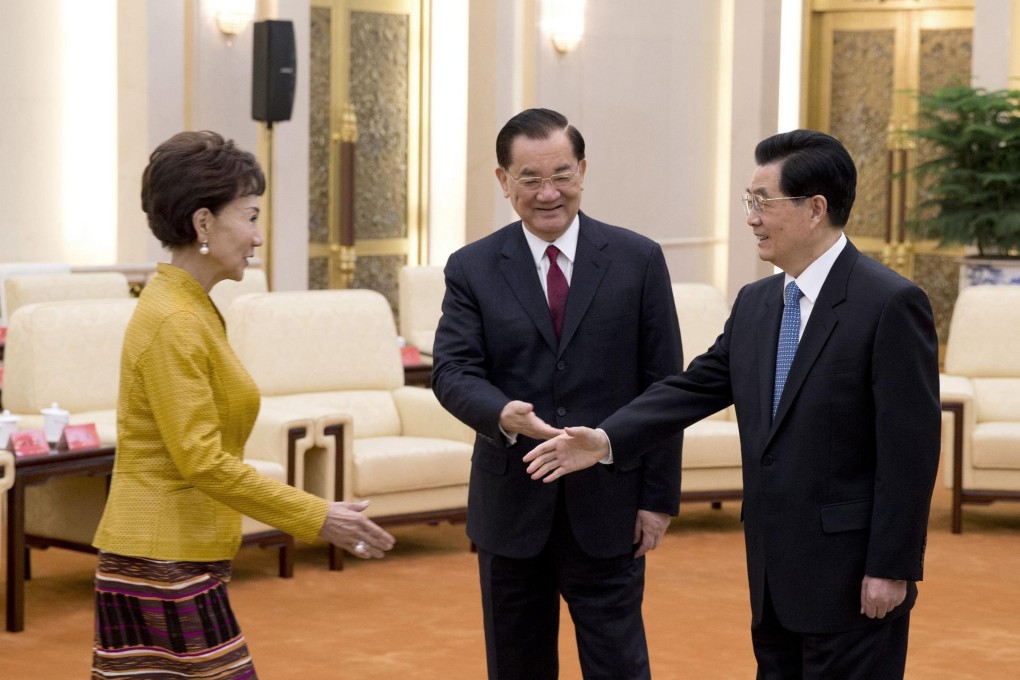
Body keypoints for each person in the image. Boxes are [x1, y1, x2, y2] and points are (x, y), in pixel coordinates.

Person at [525, 129, 941, 680]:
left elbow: (909, 453)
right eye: (750, 202)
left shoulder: (890, 303)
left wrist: (891, 567)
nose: (751, 217)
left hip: (852, 577)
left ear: (816, 209)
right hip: (773, 575)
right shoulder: (758, 302)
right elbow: (692, 387)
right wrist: (605, 440)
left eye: (761, 202)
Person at [90, 130, 396, 678]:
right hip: (160, 557)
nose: (258, 237)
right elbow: (201, 461)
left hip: (176, 550)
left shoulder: (192, 308)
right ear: (203, 223)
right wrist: (316, 515)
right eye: (250, 217)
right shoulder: (175, 320)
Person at [431, 108, 684, 680]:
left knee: (620, 665)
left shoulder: (637, 259)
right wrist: (501, 412)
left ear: (583, 171)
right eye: (530, 179)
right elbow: (452, 370)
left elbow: (665, 387)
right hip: (511, 507)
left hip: (610, 506)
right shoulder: (472, 267)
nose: (548, 194)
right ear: (503, 180)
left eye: (562, 175)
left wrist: (658, 497)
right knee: (517, 666)